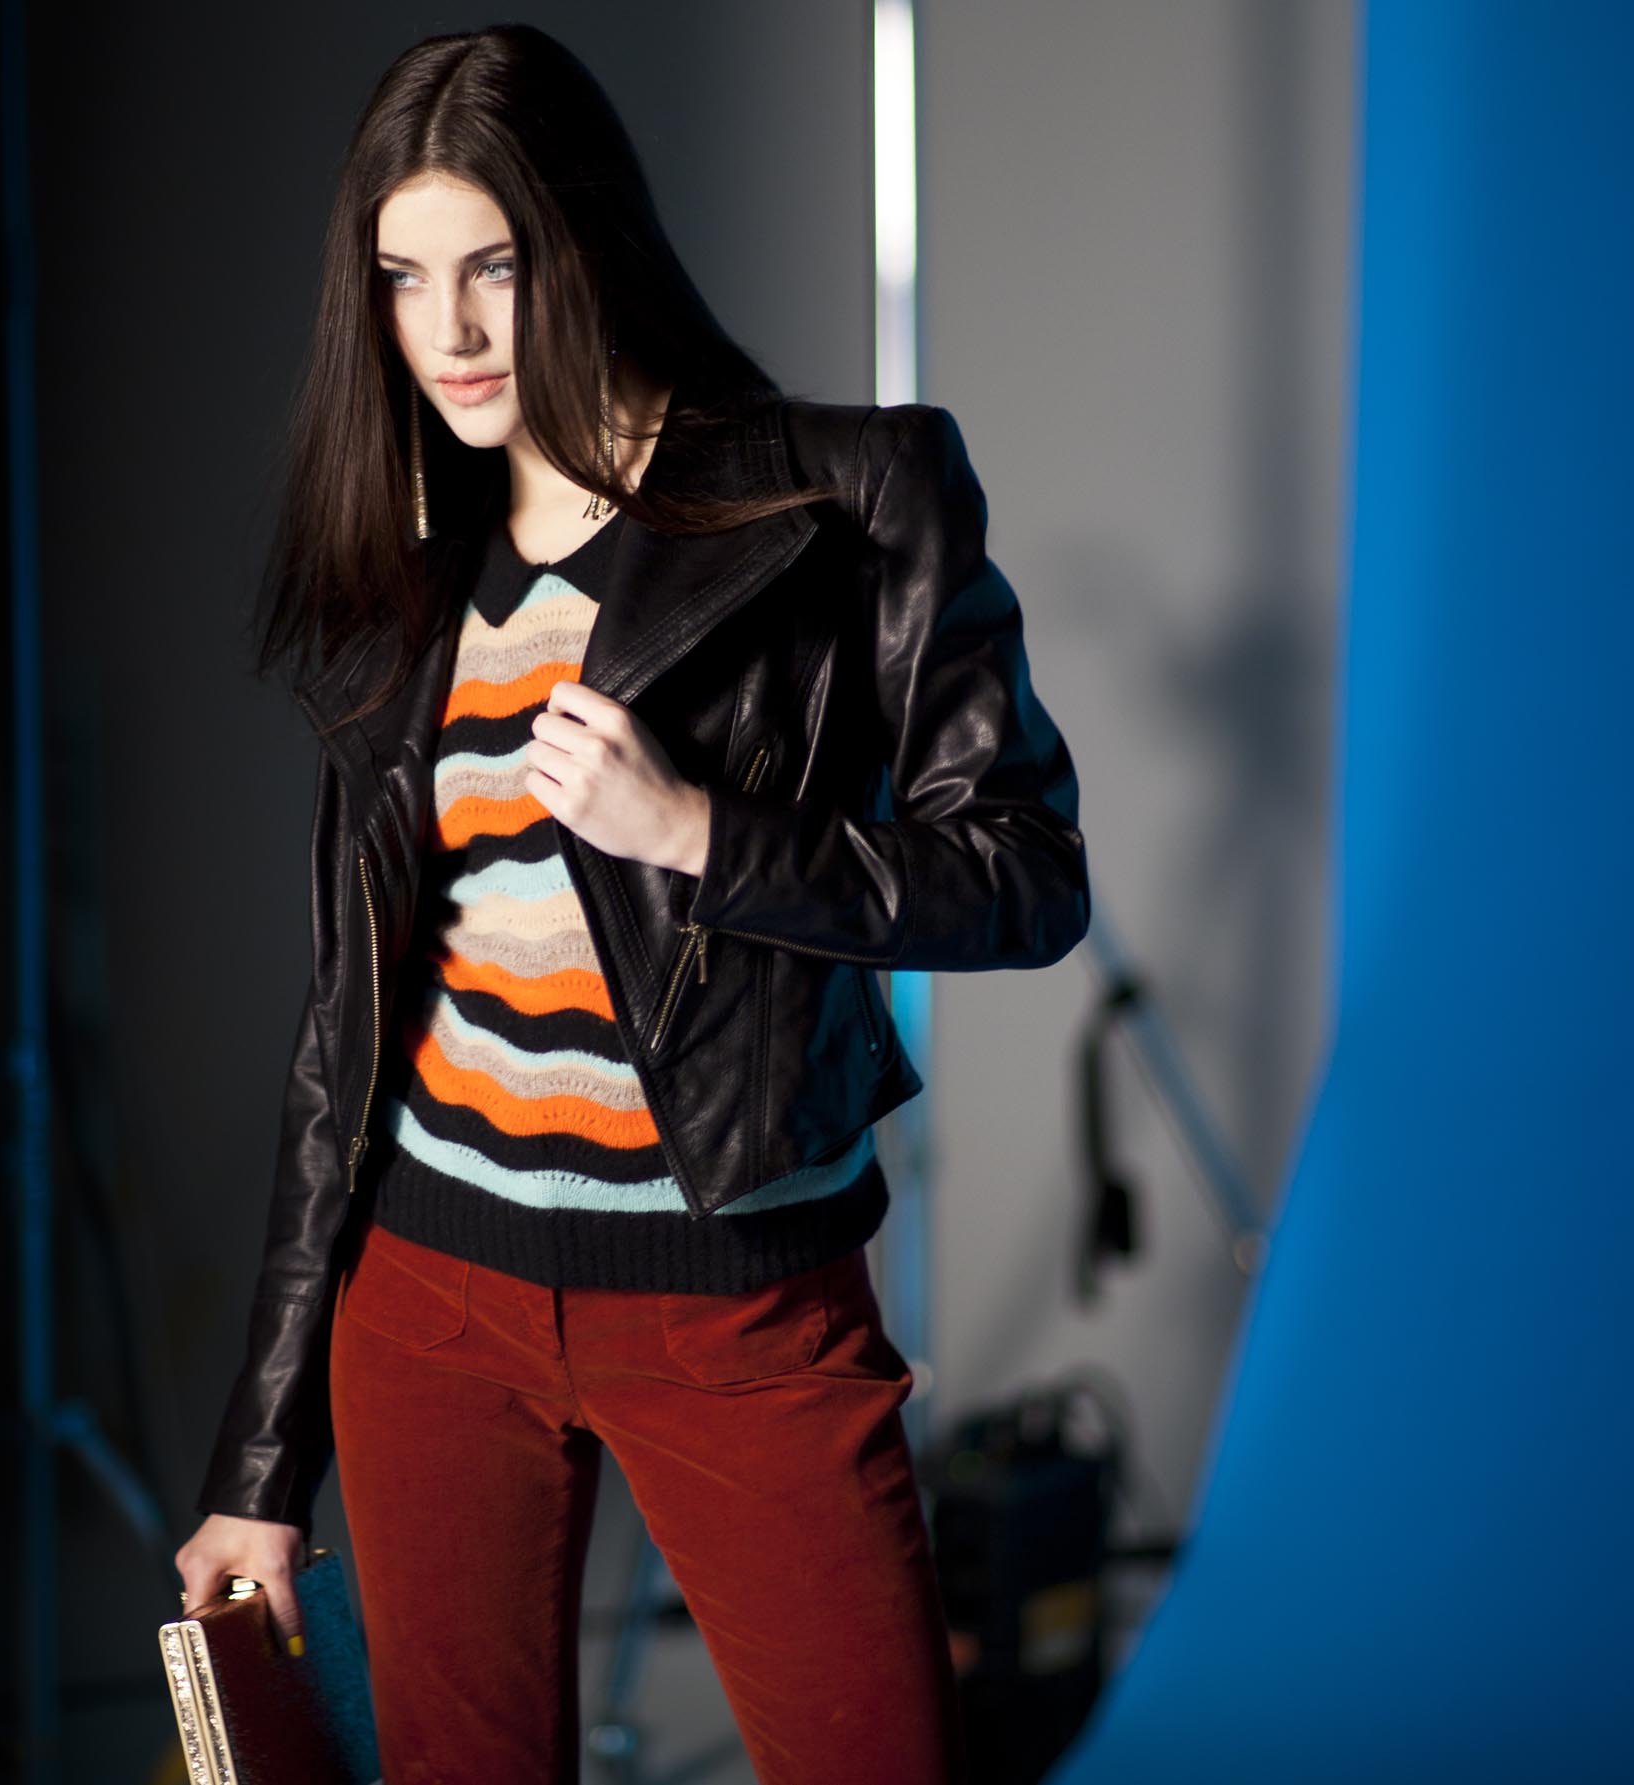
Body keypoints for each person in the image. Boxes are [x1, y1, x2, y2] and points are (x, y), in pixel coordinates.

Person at [174, 23, 1088, 1785]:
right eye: (403, 280)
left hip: (735, 1299)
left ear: (584, 245)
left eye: (493, 267)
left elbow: (1025, 875)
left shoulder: (846, 501)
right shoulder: (405, 574)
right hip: (433, 1298)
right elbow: (339, 1044)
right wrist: (259, 1466)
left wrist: (701, 831)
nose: (448, 331)